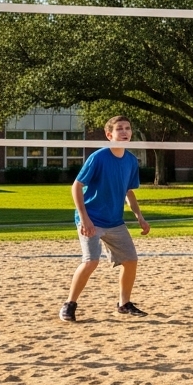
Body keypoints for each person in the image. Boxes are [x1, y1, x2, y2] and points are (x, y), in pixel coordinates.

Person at [59, 115, 150, 322]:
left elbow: (129, 191)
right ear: (110, 135)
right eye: (119, 129)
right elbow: (76, 186)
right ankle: (69, 304)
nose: (125, 132)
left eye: (127, 128)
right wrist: (85, 219)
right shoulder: (98, 157)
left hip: (114, 221)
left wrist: (140, 218)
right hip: (91, 218)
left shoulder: (131, 160)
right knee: (91, 261)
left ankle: (124, 304)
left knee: (131, 260)